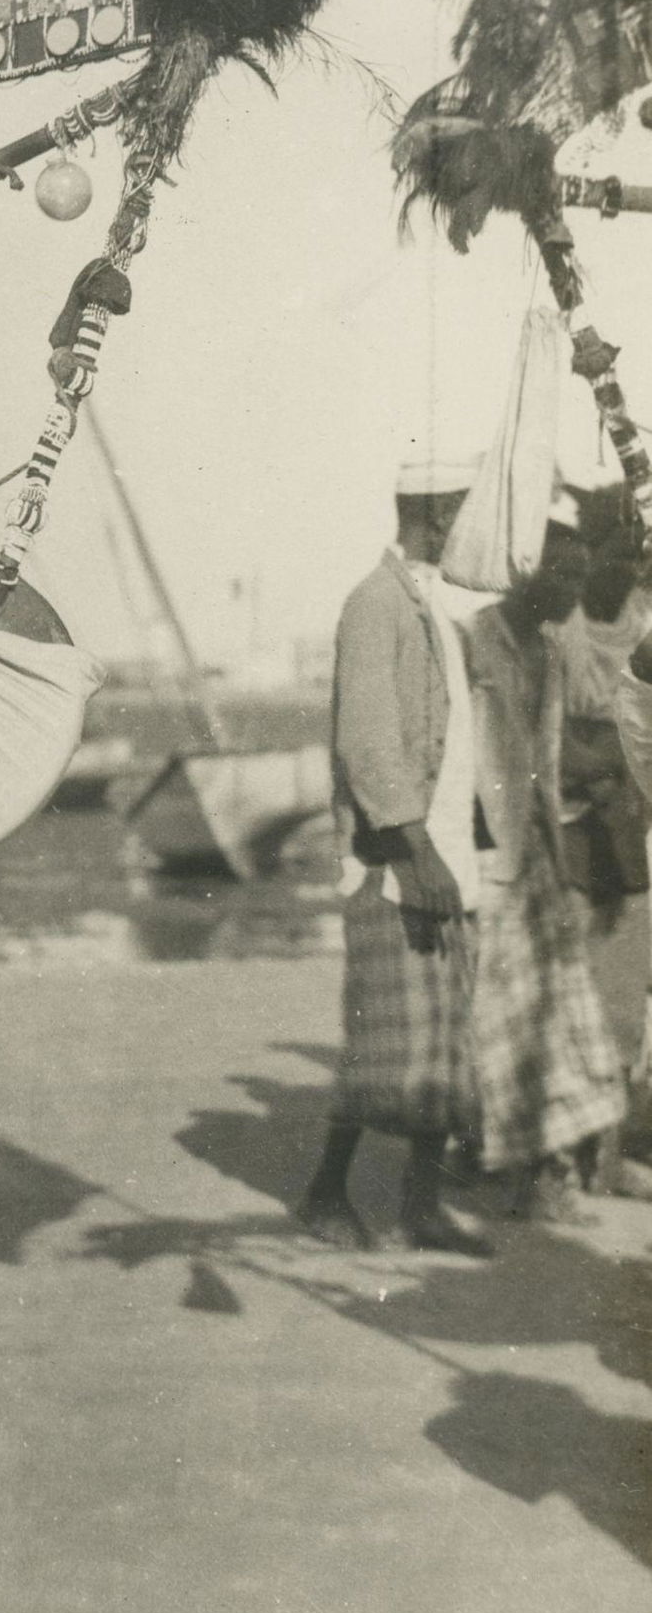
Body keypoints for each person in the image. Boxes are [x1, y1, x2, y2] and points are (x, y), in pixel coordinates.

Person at [299, 456, 490, 1255]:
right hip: (395, 864)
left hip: (444, 858)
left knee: (445, 1045)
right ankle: (325, 1193)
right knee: (385, 1044)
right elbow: (368, 741)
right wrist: (416, 851)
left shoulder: (432, 607)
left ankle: (419, 1206)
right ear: (439, 515)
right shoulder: (374, 604)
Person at [464, 507, 628, 1217]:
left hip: (537, 849)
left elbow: (551, 760)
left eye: (579, 577)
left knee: (559, 1013)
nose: (569, 590)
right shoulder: (478, 641)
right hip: (485, 856)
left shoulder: (554, 653)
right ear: (526, 565)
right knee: (499, 1018)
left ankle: (545, 1169)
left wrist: (557, 857)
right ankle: (519, 1170)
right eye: (560, 574)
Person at [556, 490, 652, 1198]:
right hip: (583, 832)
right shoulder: (566, 628)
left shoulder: (635, 619)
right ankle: (586, 1152)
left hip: (627, 831)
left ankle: (611, 1148)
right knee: (586, 992)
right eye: (616, 549)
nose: (629, 561)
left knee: (623, 1000)